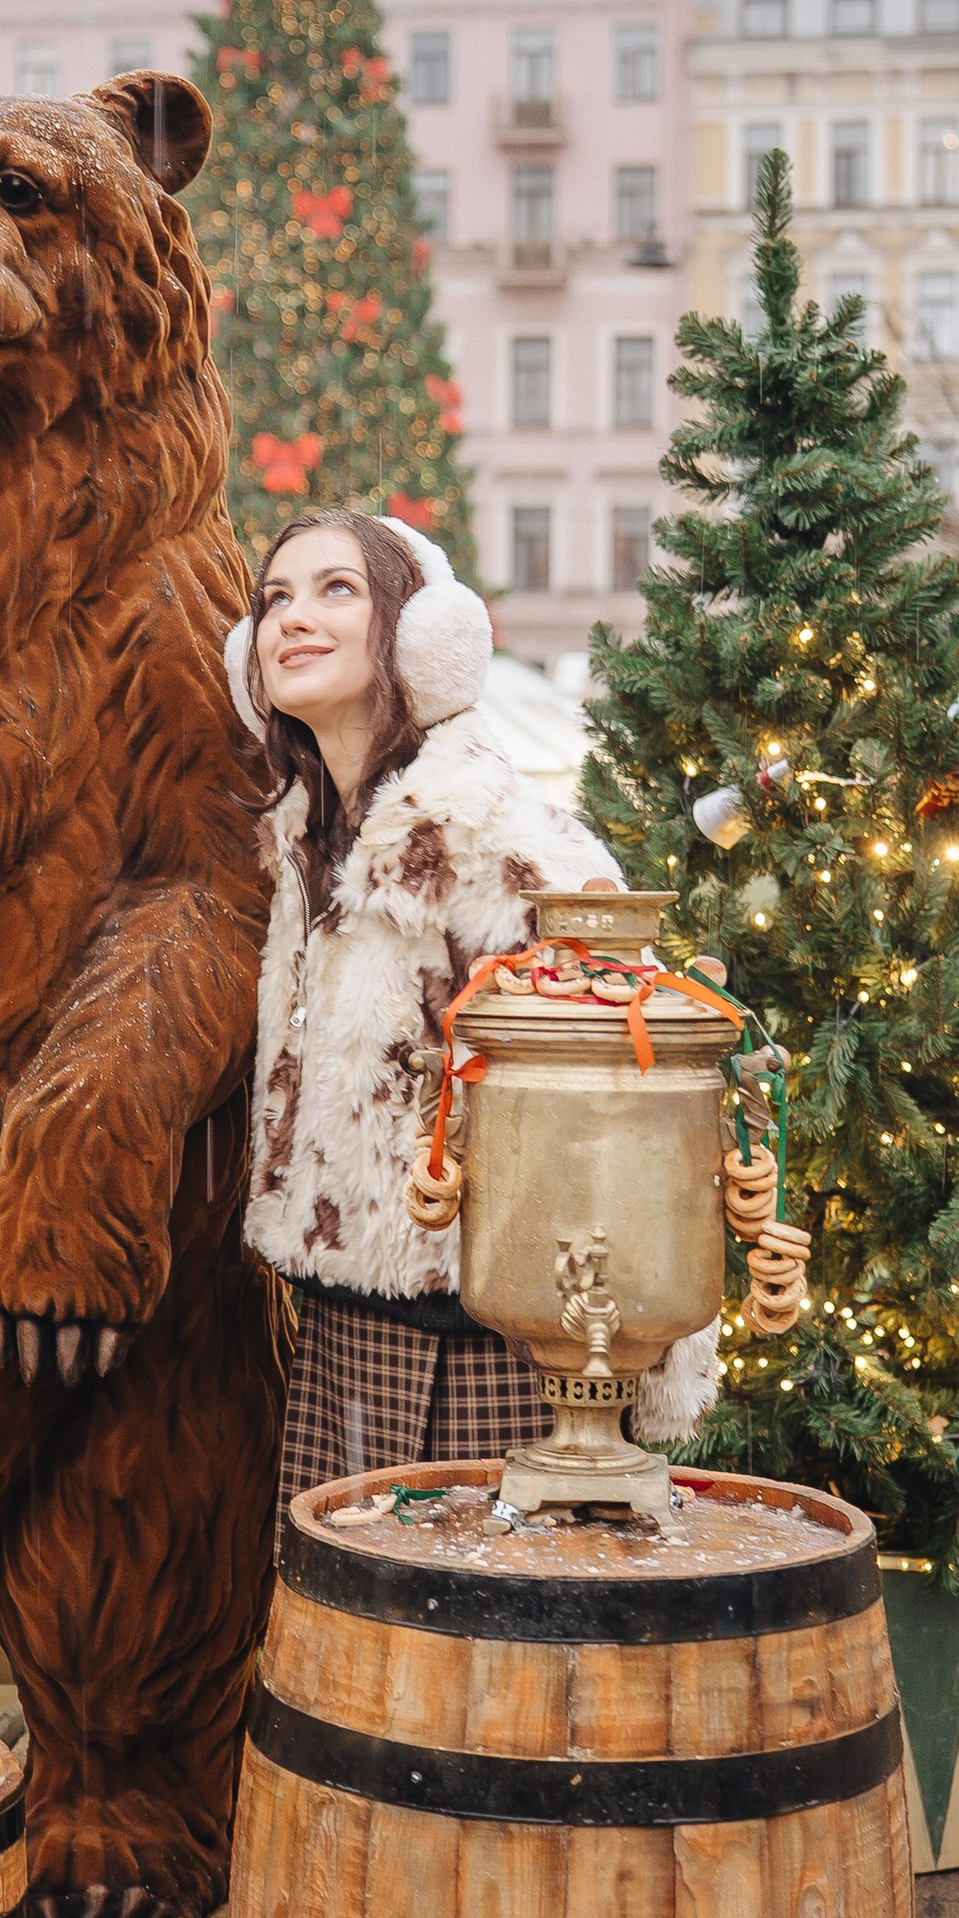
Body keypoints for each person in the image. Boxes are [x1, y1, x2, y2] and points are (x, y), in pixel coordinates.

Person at [228, 506, 716, 1517]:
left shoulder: (495, 835)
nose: (291, 619)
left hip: (489, 1357)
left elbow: (639, 1098)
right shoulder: (305, 845)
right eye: (274, 598)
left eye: (335, 589)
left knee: (484, 1662)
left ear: (421, 637)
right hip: (343, 1337)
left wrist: (644, 1361)